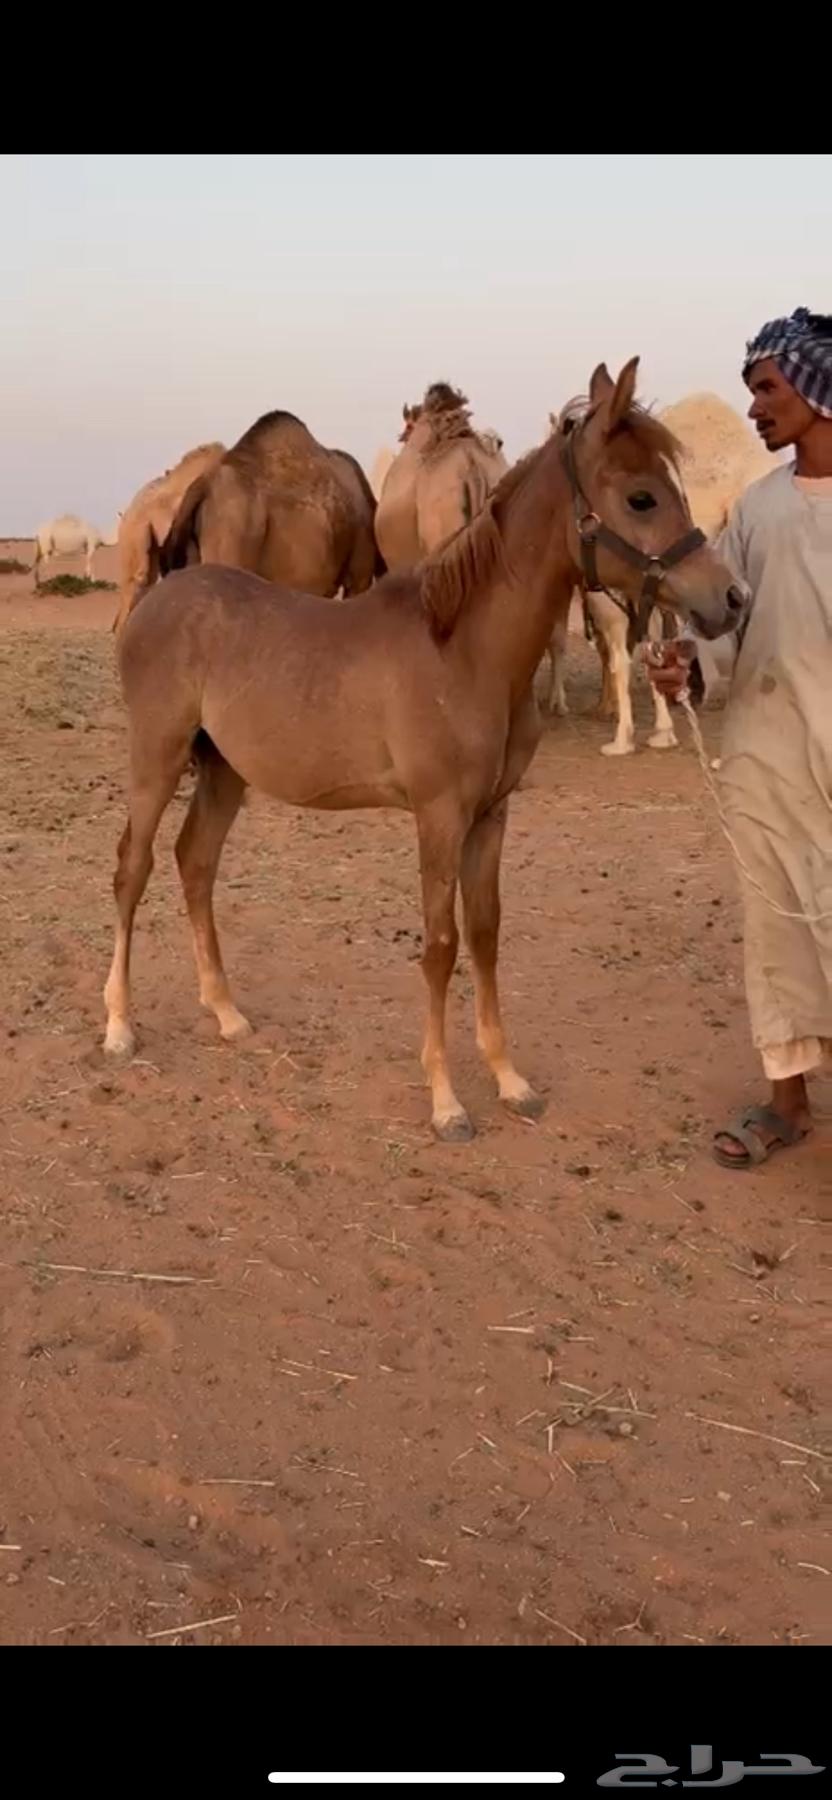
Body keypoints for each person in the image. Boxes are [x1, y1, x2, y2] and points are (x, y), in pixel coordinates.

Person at [649, 307, 832, 1168]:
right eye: (750, 391)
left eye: (767, 387)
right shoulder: (757, 509)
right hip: (767, 751)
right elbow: (723, 621)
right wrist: (686, 662)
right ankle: (786, 1102)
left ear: (818, 386)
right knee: (777, 928)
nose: (755, 406)